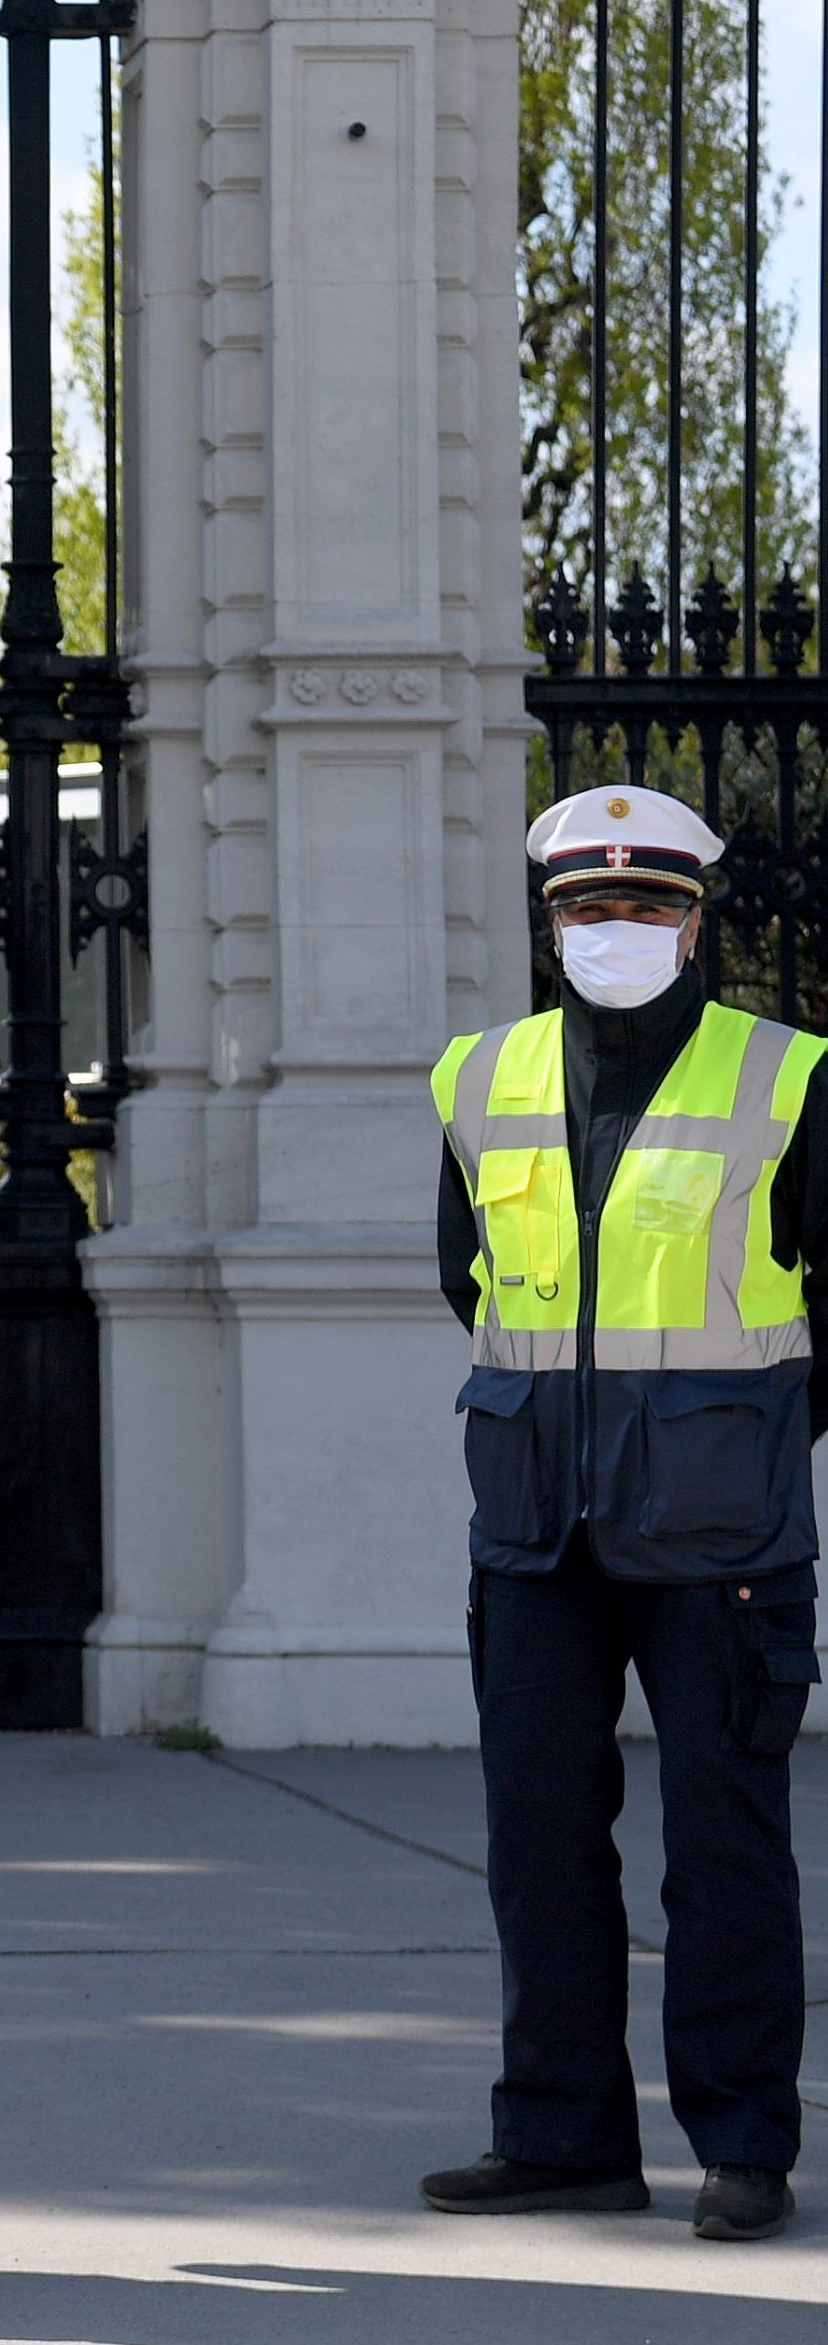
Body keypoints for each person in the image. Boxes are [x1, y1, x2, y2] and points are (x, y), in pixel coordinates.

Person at [421, 783, 813, 2242]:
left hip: (722, 1539)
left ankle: (745, 2142)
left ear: (697, 922)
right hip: (535, 1531)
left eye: (646, 906)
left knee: (723, 1844)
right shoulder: (479, 1074)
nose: (616, 930)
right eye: (589, 908)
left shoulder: (788, 1076)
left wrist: (741, 1435)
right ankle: (563, 2135)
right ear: (550, 925)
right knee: (537, 1838)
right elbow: (467, 1276)